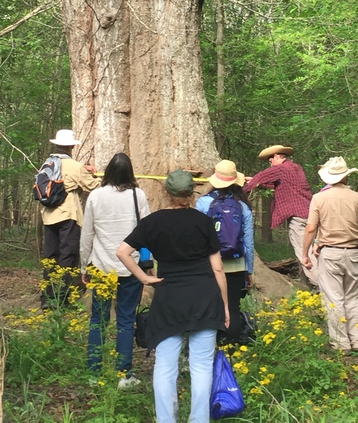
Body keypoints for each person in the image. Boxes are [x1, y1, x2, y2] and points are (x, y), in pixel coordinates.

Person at [117, 169, 229, 423]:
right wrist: (224, 306)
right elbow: (218, 267)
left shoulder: (152, 222)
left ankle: (166, 420)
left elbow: (123, 251)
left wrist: (144, 278)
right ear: (191, 193)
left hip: (168, 299)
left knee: (165, 366)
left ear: (167, 192)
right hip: (204, 297)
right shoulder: (203, 221)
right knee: (201, 366)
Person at [80, 152, 150, 386]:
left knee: (98, 320)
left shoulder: (95, 196)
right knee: (126, 320)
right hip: (131, 265)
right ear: (130, 173)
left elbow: (87, 233)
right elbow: (147, 229)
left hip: (100, 265)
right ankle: (124, 374)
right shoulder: (136, 195)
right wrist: (149, 263)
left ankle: (94, 372)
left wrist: (83, 266)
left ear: (108, 171)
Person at [302, 157, 358, 354]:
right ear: (346, 177)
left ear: (328, 179)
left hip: (330, 253)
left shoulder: (319, 198)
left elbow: (310, 228)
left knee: (334, 299)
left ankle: (341, 344)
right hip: (354, 253)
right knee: (354, 297)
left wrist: (305, 252)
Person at [40, 129, 101, 309]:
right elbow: (92, 185)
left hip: (49, 216)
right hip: (68, 216)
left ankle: (47, 298)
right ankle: (64, 299)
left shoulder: (48, 163)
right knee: (68, 256)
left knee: (50, 257)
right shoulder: (75, 166)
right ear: (73, 146)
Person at [196, 159, 254, 343]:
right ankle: (232, 348)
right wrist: (249, 271)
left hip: (210, 264)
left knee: (212, 305)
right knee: (234, 307)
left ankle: (212, 344)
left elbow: (198, 235)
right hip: (236, 265)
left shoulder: (204, 203)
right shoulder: (243, 206)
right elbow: (249, 243)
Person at [244, 144, 318, 289]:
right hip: (310, 214)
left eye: (271, 159)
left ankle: (322, 287)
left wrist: (243, 188)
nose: (270, 162)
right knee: (309, 252)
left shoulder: (281, 169)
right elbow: (281, 185)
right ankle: (307, 286)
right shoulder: (295, 168)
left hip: (298, 218)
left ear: (277, 156)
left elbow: (262, 176)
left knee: (305, 254)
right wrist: (258, 183)